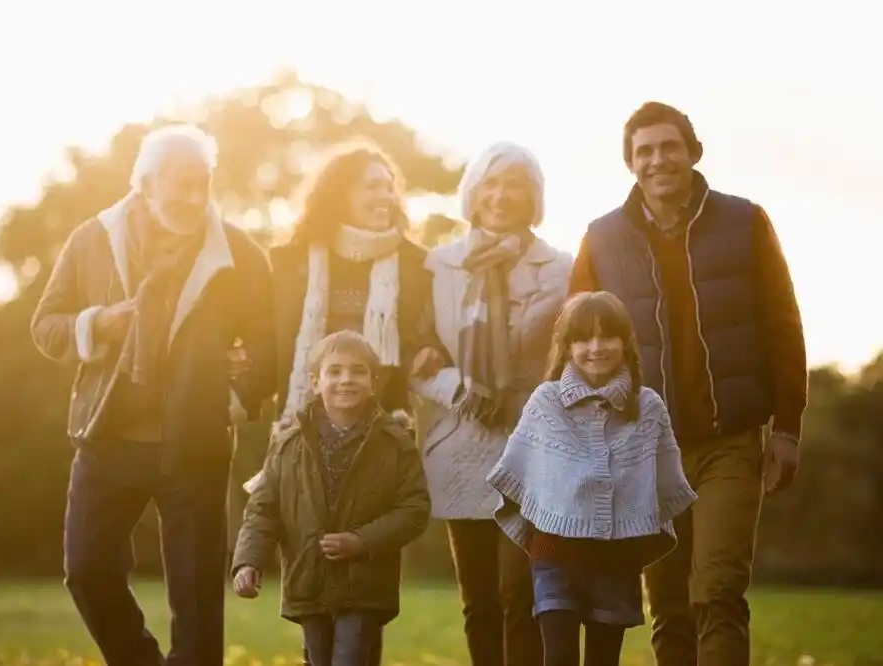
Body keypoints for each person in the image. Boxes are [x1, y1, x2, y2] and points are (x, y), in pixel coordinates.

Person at [568, 101, 808, 666]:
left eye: (668, 147)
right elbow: (574, 342)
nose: (657, 160)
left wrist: (788, 429)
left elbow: (783, 326)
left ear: (693, 153)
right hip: (643, 449)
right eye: (643, 151)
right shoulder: (601, 238)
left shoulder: (745, 222)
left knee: (717, 593)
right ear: (630, 164)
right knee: (670, 607)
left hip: (730, 441)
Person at [30, 124, 276, 666]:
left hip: (196, 442)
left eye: (203, 184)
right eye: (180, 184)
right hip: (108, 436)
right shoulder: (92, 239)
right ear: (145, 184)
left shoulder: (240, 253)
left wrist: (232, 399)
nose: (193, 197)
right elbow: (46, 327)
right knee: (88, 571)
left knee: (197, 597)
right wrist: (97, 324)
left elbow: (268, 349)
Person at [412, 142, 573, 666]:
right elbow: (415, 355)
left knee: (519, 594)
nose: (502, 196)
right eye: (491, 184)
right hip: (461, 445)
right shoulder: (437, 266)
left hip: (532, 447)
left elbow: (576, 353)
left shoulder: (560, 270)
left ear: (534, 198)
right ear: (473, 195)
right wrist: (457, 386)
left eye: (515, 185)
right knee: (478, 601)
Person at [486, 291, 697, 666]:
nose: (596, 347)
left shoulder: (647, 407)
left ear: (625, 342)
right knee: (560, 656)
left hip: (618, 556)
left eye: (607, 336)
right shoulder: (545, 402)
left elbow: (665, 488)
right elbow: (519, 479)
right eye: (583, 338)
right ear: (567, 347)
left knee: (603, 659)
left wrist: (638, 531)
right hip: (553, 552)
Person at [232, 330, 431, 666]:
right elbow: (263, 509)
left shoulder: (395, 444)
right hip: (309, 579)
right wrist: (248, 560)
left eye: (357, 371)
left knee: (350, 657)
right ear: (314, 382)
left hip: (365, 584)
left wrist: (361, 541)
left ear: (374, 382)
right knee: (318, 659)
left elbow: (414, 510)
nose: (346, 380)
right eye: (334, 371)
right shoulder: (287, 444)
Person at [269, 140, 447, 423]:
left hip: (387, 426)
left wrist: (431, 350)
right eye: (372, 186)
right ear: (340, 194)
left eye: (390, 188)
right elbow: (268, 341)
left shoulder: (419, 266)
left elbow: (435, 336)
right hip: (305, 426)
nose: (386, 196)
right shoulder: (290, 263)